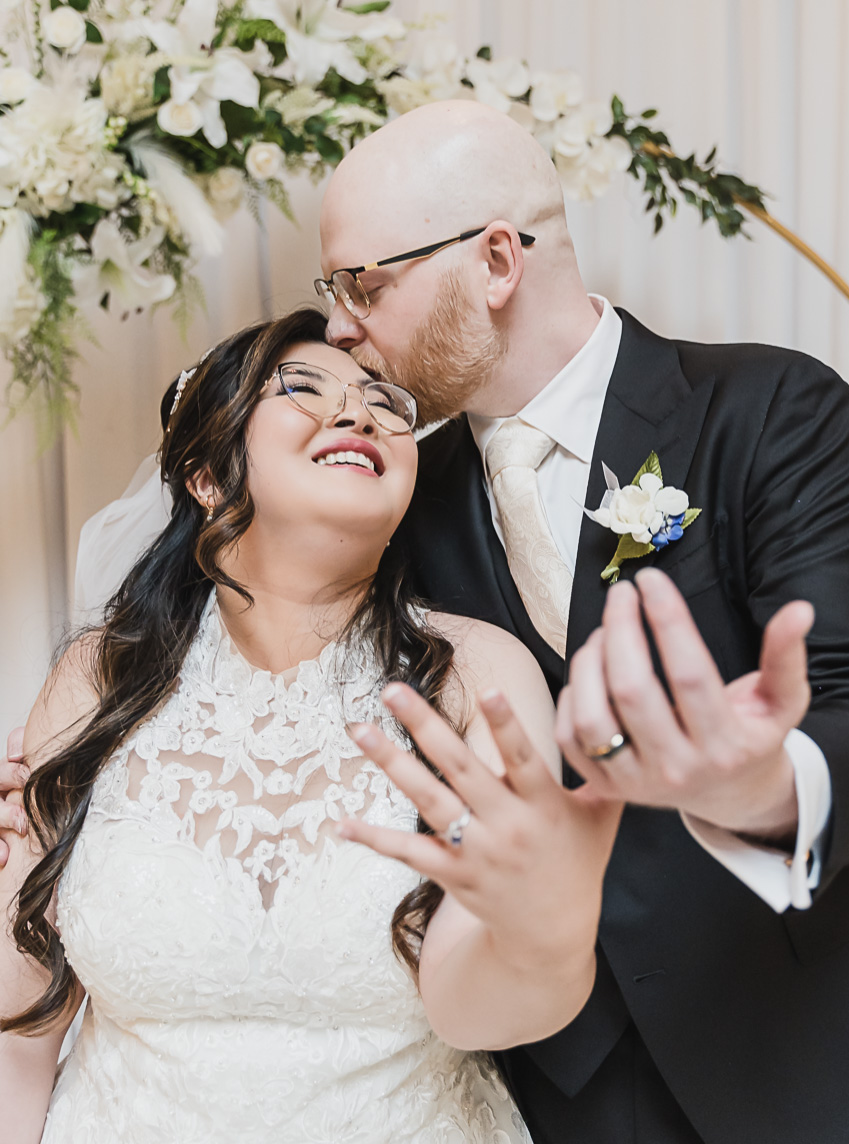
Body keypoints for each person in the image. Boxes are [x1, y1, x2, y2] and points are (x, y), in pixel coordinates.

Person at [4, 97, 849, 1141]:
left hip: (782, 1037)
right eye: (327, 297)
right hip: (550, 1077)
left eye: (363, 285)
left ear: (494, 263)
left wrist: (754, 786)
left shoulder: (764, 413)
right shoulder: (388, 498)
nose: (342, 325)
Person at [0, 306, 624, 1144]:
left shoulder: (476, 676)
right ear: (207, 476)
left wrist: (548, 926)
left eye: (384, 402)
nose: (358, 412)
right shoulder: (98, 679)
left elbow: (483, 1012)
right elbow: (17, 1031)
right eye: (301, 387)